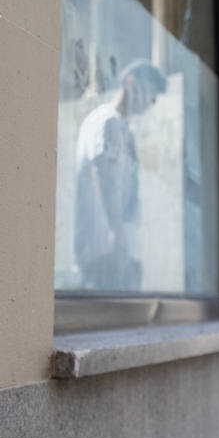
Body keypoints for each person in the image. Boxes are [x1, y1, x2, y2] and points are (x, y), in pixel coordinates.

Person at [73, 59, 166, 290]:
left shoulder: (122, 128)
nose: (151, 102)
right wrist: (118, 234)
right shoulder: (108, 122)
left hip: (117, 250)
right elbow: (105, 178)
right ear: (130, 83)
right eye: (150, 94)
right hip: (107, 252)